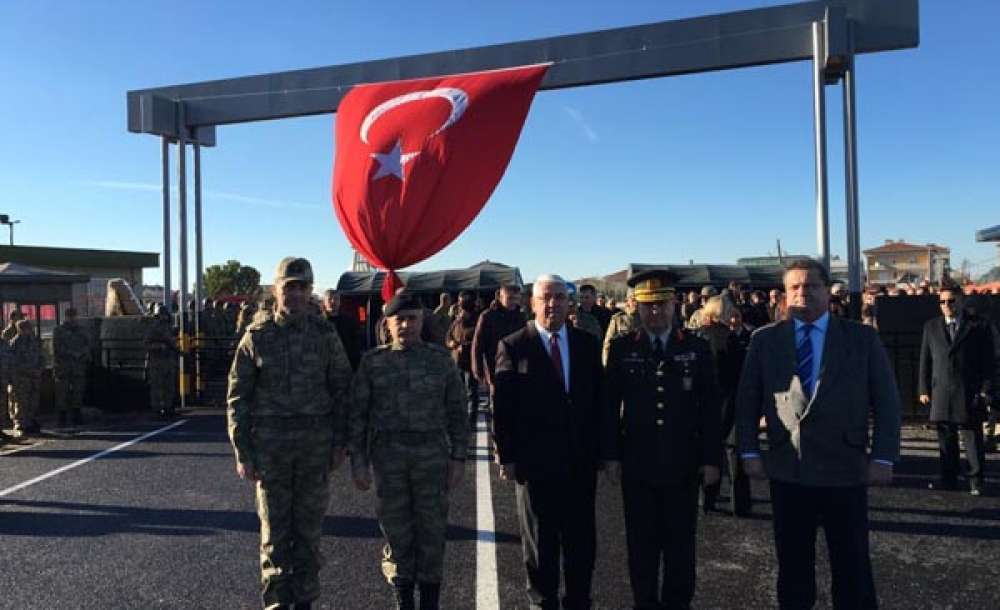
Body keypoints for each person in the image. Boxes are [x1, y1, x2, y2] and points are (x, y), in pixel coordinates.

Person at [736, 259, 900, 609]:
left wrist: (883, 456)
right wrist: (749, 451)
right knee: (793, 570)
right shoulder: (764, 341)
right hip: (789, 470)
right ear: (784, 294)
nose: (802, 292)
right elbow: (747, 400)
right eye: (794, 287)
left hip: (845, 469)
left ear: (828, 291)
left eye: (811, 286)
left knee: (852, 567)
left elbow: (887, 401)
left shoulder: (862, 338)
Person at [227, 257, 353, 610]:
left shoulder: (325, 335)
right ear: (276, 290)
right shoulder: (257, 336)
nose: (295, 294)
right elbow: (238, 398)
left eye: (302, 287)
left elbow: (342, 389)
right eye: (289, 287)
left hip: (314, 450)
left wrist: (340, 443)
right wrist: (243, 452)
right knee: (274, 538)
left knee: (309, 535)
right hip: (271, 453)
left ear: (310, 290)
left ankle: (305, 603)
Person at [602, 270, 721, 610]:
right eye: (647, 306)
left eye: (661, 305)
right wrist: (610, 455)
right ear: (636, 308)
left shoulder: (696, 348)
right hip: (638, 465)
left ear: (674, 305)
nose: (654, 313)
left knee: (681, 545)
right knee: (641, 547)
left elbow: (711, 407)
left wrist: (712, 458)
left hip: (683, 464)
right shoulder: (623, 348)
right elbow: (609, 407)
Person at [348, 292, 468, 610]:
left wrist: (459, 458)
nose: (406, 324)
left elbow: (457, 411)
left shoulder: (440, 360)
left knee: (432, 533)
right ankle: (404, 602)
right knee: (397, 534)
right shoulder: (373, 363)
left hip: (432, 458)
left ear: (421, 321)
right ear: (387, 324)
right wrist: (358, 463)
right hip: (389, 461)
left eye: (412, 318)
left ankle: (429, 603)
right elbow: (357, 415)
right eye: (399, 319)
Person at [493, 274, 604, 610]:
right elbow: (503, 408)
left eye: (559, 296)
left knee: (580, 544)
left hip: (579, 463)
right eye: (545, 297)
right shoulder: (513, 345)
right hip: (534, 465)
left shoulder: (586, 343)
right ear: (532, 302)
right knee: (540, 548)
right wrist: (506, 456)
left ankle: (578, 602)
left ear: (569, 302)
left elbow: (598, 401)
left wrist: (603, 452)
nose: (552, 303)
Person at [918, 286, 995, 495]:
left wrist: (985, 390)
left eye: (951, 301)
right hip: (941, 391)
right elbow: (925, 360)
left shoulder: (978, 326)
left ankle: (976, 481)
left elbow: (988, 362)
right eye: (942, 302)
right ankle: (949, 479)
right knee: (946, 439)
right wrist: (923, 389)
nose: (947, 306)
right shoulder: (931, 327)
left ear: (961, 301)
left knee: (972, 438)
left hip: (969, 391)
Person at [471, 284, 524, 414]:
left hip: (518, 368)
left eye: (517, 298)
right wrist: (478, 371)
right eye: (510, 298)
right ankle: (498, 432)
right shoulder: (488, 317)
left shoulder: (521, 316)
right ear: (500, 297)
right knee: (498, 406)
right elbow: (477, 346)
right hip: (495, 368)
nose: (514, 302)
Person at [446, 291, 480, 429]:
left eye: (463, 301)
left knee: (471, 391)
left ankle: (471, 421)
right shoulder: (457, 320)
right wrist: (452, 344)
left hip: (470, 361)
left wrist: (463, 346)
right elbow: (448, 337)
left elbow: (478, 340)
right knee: (458, 392)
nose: (460, 304)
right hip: (457, 362)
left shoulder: (477, 320)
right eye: (460, 301)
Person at [52, 308, 92, 426]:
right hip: (63, 366)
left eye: (74, 316)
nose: (72, 318)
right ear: (66, 317)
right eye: (70, 316)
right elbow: (56, 347)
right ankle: (62, 417)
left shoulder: (82, 330)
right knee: (62, 392)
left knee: (78, 391)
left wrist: (82, 353)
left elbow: (88, 344)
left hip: (78, 365)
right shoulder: (58, 330)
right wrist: (71, 353)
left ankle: (77, 415)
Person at [9, 319, 44, 437]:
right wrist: (29, 371)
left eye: (29, 328)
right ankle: (20, 424)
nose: (28, 331)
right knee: (21, 402)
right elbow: (14, 363)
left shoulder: (34, 342)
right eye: (26, 329)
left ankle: (30, 421)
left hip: (34, 377)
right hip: (21, 378)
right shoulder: (15, 343)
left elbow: (41, 356)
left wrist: (40, 369)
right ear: (20, 329)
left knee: (33, 401)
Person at [145, 305, 179, 418]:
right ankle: (157, 409)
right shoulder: (153, 327)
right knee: (157, 387)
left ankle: (168, 408)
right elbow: (147, 344)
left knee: (169, 386)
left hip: (168, 360)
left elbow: (172, 342)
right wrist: (160, 346)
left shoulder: (168, 327)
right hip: (157, 361)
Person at [322, 289, 362, 370]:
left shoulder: (349, 321)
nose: (333, 301)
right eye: (330, 299)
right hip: (324, 366)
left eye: (336, 299)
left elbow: (356, 344)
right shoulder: (318, 322)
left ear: (340, 301)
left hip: (346, 365)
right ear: (324, 302)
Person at [602, 288, 640, 365]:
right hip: (622, 362)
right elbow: (608, 345)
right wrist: (606, 365)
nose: (636, 303)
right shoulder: (618, 319)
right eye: (633, 300)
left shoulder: (646, 319)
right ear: (627, 301)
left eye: (638, 300)